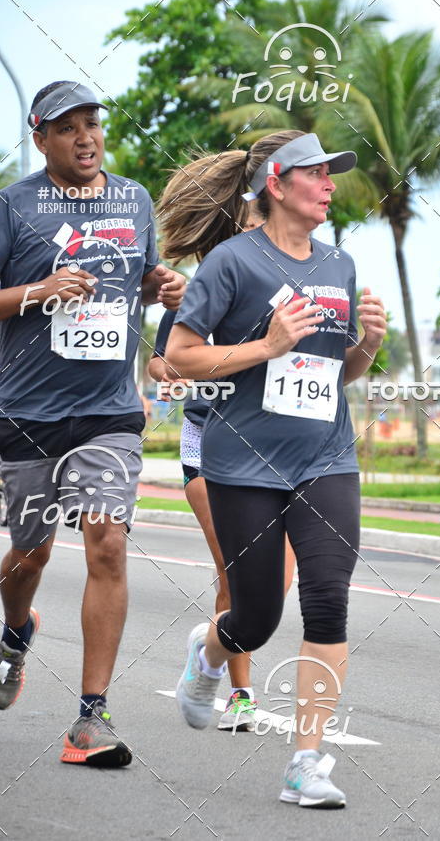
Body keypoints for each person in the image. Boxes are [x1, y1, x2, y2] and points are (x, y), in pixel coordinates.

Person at [165, 130, 386, 807]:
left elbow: (332, 374)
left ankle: (306, 765)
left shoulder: (339, 266)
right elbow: (182, 355)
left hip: (326, 456)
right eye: (316, 174)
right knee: (255, 617)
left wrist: (368, 348)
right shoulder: (232, 264)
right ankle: (209, 651)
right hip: (245, 462)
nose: (329, 185)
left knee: (328, 597)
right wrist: (267, 343)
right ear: (277, 183)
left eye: (331, 176)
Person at [0, 81, 185, 767]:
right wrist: (37, 292)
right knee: (30, 556)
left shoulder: (133, 201)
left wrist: (159, 285)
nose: (86, 137)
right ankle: (16, 632)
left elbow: (131, 278)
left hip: (108, 409)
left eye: (93, 124)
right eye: (69, 127)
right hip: (26, 412)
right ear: (40, 136)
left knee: (106, 541)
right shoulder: (13, 206)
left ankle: (90, 721)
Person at [149, 200, 295, 732]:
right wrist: (186, 371)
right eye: (256, 225)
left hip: (275, 446)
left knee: (273, 584)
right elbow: (162, 359)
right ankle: (239, 693)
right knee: (236, 572)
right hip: (208, 443)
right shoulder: (208, 282)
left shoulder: (289, 286)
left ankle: (209, 643)